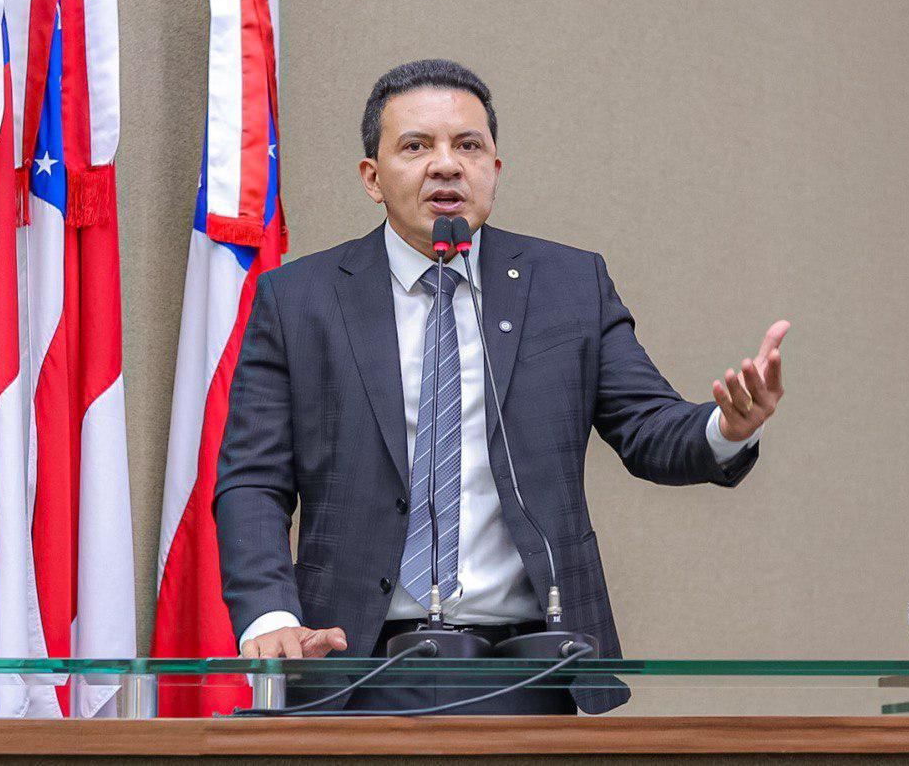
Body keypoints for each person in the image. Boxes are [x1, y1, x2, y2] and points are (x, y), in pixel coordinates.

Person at [213, 59, 789, 715]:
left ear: (494, 168)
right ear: (372, 177)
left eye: (468, 145)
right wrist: (270, 615)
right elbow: (253, 480)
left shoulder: (569, 285)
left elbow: (647, 428)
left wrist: (726, 429)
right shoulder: (300, 300)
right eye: (416, 146)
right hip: (353, 662)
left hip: (528, 667)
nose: (447, 165)